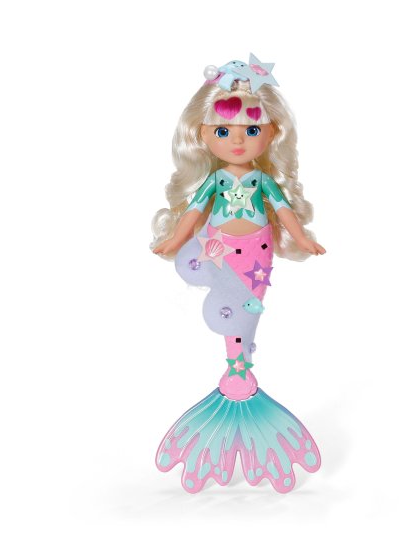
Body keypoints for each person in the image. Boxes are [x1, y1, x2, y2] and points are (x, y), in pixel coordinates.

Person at [151, 54, 324, 493]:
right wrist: (174, 241)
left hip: (258, 253)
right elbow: (193, 213)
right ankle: (236, 371)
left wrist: (302, 239)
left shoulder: (263, 182)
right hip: (218, 249)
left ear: (271, 133)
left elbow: (284, 211)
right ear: (203, 135)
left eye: (252, 130)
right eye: (224, 131)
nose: (239, 141)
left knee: (248, 309)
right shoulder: (215, 181)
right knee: (230, 309)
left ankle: (239, 370)